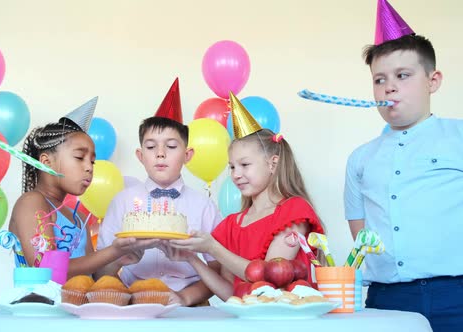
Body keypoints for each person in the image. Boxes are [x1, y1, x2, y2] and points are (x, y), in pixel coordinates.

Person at [344, 1, 463, 330]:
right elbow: (361, 234)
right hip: (385, 300)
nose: (389, 86)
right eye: (379, 79)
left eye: (402, 75)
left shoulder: (459, 136)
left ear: (433, 81)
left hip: (456, 294)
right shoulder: (360, 159)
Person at [165, 93, 324, 300]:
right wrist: (192, 259)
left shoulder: (294, 211)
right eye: (232, 167)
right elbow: (231, 295)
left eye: (245, 165)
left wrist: (212, 247)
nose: (236, 174)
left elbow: (272, 280)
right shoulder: (232, 225)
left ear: (272, 163)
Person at [95, 78, 222, 306]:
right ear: (140, 155)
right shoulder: (122, 202)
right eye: (151, 147)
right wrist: (119, 259)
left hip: (192, 305)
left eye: (171, 146)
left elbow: (218, 267)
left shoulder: (204, 206)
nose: (160, 154)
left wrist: (186, 298)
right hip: (134, 303)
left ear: (188, 155)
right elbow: (100, 269)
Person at [9, 97, 156, 278]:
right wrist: (113, 251)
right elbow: (46, 268)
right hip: (42, 307)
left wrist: (119, 258)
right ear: (47, 162)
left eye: (92, 161)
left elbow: (93, 276)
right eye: (79, 158)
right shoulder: (31, 202)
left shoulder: (78, 217)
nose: (89, 167)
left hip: (77, 306)